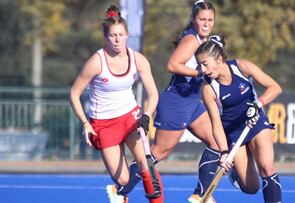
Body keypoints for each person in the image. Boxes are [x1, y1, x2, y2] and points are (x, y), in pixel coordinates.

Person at [118, 1, 219, 203]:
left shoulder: (202, 39)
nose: (206, 23)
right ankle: (120, 190)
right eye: (202, 19)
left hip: (192, 103)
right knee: (158, 153)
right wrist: (199, 71)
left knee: (217, 143)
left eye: (210, 20)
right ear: (193, 20)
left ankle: (201, 195)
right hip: (176, 103)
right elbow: (172, 65)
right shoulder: (191, 40)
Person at [69, 5, 163, 203]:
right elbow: (74, 93)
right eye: (113, 35)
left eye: (121, 34)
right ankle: (119, 190)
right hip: (103, 123)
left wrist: (147, 115)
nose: (117, 39)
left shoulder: (138, 59)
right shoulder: (96, 62)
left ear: (127, 35)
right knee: (124, 179)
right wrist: (86, 123)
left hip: (130, 116)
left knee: (148, 166)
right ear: (106, 37)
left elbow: (153, 93)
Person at [195, 35, 283, 203]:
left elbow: (275, 87)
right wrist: (224, 152)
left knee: (267, 167)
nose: (203, 69)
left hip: (256, 122)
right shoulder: (208, 89)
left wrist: (258, 104)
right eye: (200, 65)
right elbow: (216, 124)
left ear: (219, 59)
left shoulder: (241, 67)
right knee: (251, 188)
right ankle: (237, 171)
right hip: (234, 133)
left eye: (205, 64)